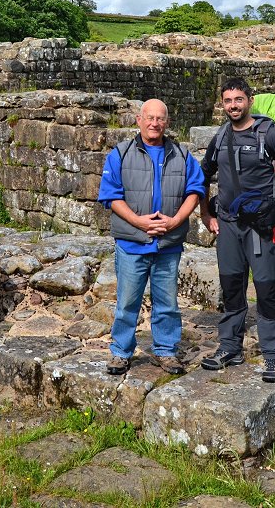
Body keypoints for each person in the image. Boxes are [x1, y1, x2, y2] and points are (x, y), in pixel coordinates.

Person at [198, 78, 275, 383]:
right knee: (231, 288)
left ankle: (273, 356)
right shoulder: (221, 137)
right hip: (229, 225)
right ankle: (230, 347)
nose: (233, 106)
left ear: (249, 100)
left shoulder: (268, 134)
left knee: (266, 290)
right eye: (228, 101)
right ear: (222, 104)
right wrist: (205, 213)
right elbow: (202, 175)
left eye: (238, 99)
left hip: (263, 228)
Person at [97, 98, 205, 376]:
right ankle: (121, 352)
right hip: (132, 243)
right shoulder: (120, 154)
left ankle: (166, 350)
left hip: (168, 244)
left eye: (160, 118)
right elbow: (111, 195)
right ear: (139, 120)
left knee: (167, 303)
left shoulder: (181, 155)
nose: (155, 123)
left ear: (167, 122)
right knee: (127, 303)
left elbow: (195, 190)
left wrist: (175, 221)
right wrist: (139, 222)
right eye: (150, 118)